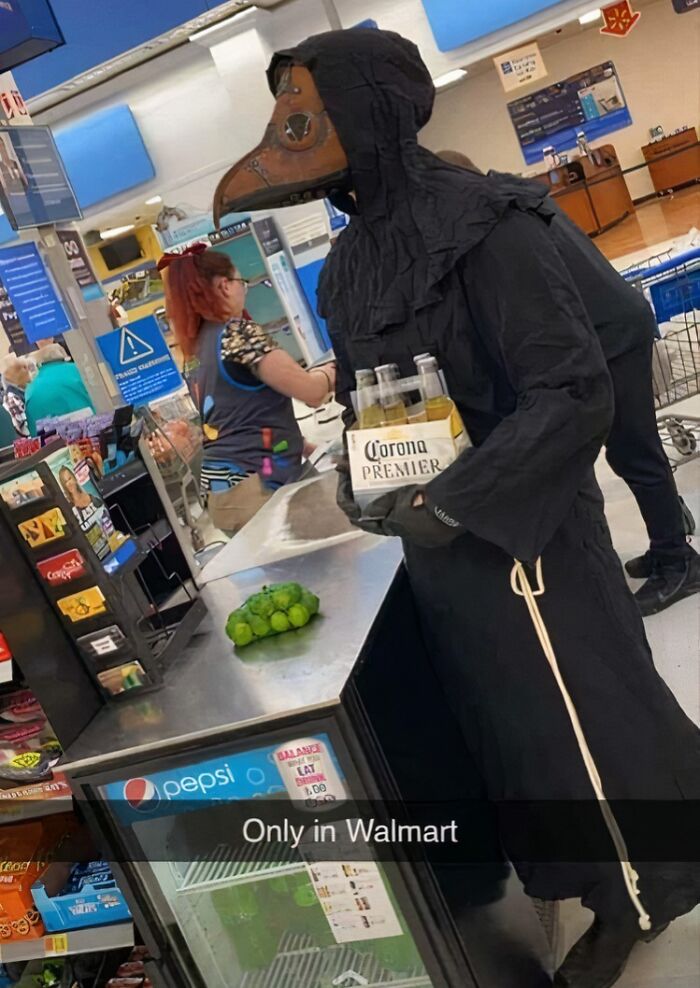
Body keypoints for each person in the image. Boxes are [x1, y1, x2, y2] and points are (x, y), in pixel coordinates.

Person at [214, 28, 700, 988]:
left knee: (587, 722)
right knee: (518, 736)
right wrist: (363, 479)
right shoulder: (347, 267)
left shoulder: (488, 223)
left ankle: (640, 895)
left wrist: (457, 499)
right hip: (441, 558)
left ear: (369, 110)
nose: (285, 143)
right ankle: (580, 877)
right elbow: (366, 400)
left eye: (306, 116)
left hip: (531, 542)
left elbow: (572, 390)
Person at [435, 149, 699, 617]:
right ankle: (668, 543)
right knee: (628, 452)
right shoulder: (515, 197)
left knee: (635, 452)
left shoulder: (497, 223)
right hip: (610, 325)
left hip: (610, 334)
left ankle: (679, 562)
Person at [158, 244, 336, 534]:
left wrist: (298, 445)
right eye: (242, 281)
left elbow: (237, 413)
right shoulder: (236, 333)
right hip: (259, 484)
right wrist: (331, 371)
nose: (246, 290)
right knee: (328, 551)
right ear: (224, 286)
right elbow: (312, 392)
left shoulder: (194, 352)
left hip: (225, 491)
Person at [25, 344, 94, 436]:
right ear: (64, 356)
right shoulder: (79, 370)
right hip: (95, 428)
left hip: (59, 440)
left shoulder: (31, 388)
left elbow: (35, 431)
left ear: (38, 363)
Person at [0, 355, 31, 436]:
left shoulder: (23, 390)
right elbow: (25, 430)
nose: (28, 371)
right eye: (24, 368)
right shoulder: (12, 398)